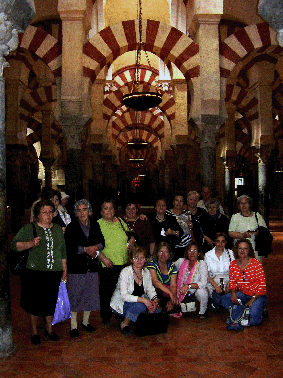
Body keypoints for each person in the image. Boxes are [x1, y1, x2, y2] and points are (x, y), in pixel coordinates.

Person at [11, 200, 67, 345]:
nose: (48, 215)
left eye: (50, 212)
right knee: (33, 303)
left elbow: (62, 252)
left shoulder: (57, 229)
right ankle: (35, 332)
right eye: (45, 212)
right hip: (34, 272)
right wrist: (30, 243)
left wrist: (64, 270)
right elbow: (14, 245)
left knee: (50, 302)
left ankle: (49, 329)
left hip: (54, 272)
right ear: (37, 215)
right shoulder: (29, 228)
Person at [64, 199, 105, 338]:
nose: (82, 213)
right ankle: (73, 325)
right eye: (79, 210)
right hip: (76, 268)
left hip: (92, 267)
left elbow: (102, 242)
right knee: (75, 296)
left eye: (84, 209)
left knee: (89, 295)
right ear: (76, 213)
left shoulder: (95, 225)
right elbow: (68, 247)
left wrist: (96, 247)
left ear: (89, 211)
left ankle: (85, 322)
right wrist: (84, 249)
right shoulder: (71, 227)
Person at [110, 246, 159, 335]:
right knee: (141, 306)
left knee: (157, 310)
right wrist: (144, 300)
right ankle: (124, 324)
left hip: (137, 302)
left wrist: (155, 302)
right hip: (122, 303)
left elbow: (150, 289)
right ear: (131, 260)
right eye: (136, 258)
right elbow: (124, 296)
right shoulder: (125, 272)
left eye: (142, 258)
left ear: (145, 260)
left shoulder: (146, 272)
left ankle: (134, 317)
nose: (139, 261)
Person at [220, 239, 267, 326]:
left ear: (249, 250)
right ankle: (243, 310)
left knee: (254, 321)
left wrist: (252, 300)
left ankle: (251, 310)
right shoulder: (233, 264)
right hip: (242, 294)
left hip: (257, 296)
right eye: (240, 248)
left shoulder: (256, 264)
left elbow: (262, 285)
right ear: (236, 250)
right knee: (224, 299)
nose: (242, 251)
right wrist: (233, 294)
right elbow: (232, 282)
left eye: (245, 248)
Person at [97, 199, 130, 325]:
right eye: (106, 208)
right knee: (107, 291)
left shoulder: (121, 222)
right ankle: (106, 315)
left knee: (122, 290)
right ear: (101, 211)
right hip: (107, 263)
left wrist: (130, 242)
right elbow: (93, 245)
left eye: (111, 208)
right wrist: (103, 258)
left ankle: (119, 313)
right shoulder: (97, 224)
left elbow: (128, 236)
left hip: (122, 262)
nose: (109, 211)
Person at [175, 242, 209, 318]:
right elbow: (170, 268)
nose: (192, 253)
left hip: (195, 289)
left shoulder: (202, 264)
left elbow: (203, 283)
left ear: (199, 253)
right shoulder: (181, 261)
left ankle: (203, 312)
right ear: (187, 253)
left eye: (195, 251)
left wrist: (188, 286)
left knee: (202, 292)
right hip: (181, 290)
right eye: (190, 250)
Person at [228, 194, 268, 261]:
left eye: (245, 203)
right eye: (241, 203)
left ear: (249, 204)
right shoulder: (235, 217)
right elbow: (230, 233)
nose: (243, 205)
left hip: (255, 250)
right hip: (240, 250)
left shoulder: (257, 216)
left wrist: (259, 232)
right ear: (238, 205)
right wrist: (242, 235)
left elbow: (265, 232)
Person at [204, 232, 235, 309]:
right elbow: (205, 274)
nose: (220, 244)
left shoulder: (230, 253)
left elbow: (234, 270)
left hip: (228, 282)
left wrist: (230, 284)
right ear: (215, 242)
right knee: (217, 303)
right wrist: (215, 286)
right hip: (214, 283)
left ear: (226, 242)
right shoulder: (208, 255)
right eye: (218, 241)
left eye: (223, 241)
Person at [147, 242, 178, 312]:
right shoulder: (152, 264)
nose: (163, 254)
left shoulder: (172, 267)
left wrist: (171, 300)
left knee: (174, 304)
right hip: (155, 294)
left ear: (169, 254)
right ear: (157, 253)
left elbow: (173, 285)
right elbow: (155, 282)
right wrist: (170, 294)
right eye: (161, 252)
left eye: (166, 252)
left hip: (167, 295)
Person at [165, 194, 194, 260]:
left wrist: (192, 226)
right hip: (173, 247)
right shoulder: (167, 213)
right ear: (173, 202)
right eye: (177, 200)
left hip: (187, 247)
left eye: (181, 201)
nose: (179, 203)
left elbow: (194, 229)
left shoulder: (188, 213)